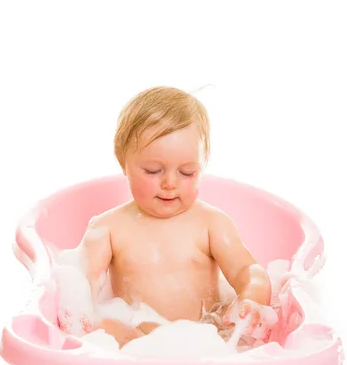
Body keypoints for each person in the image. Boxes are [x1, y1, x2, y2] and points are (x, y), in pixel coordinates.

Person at [62, 86, 273, 347]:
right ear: (123, 163)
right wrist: (81, 317)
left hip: (208, 335)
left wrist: (252, 298)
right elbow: (83, 286)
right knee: (101, 329)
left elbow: (246, 268)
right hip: (137, 340)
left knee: (236, 335)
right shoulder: (108, 229)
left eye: (187, 172)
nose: (170, 183)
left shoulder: (211, 224)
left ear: (202, 165)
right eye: (153, 170)